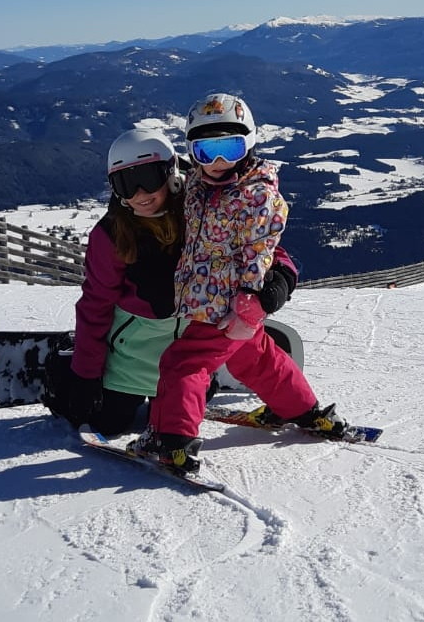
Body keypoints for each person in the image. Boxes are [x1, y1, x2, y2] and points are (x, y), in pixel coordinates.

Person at [129, 92, 349, 473]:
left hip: (226, 305)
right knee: (258, 360)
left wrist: (251, 298)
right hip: (206, 299)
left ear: (248, 144)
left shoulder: (257, 196)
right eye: (205, 151)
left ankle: (172, 440)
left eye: (228, 148)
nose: (216, 162)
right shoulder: (201, 183)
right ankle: (304, 410)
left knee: (182, 364)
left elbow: (259, 251)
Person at [45, 128, 298, 435]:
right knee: (108, 422)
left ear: (171, 170)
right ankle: (62, 367)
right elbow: (95, 304)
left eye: (149, 178)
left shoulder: (202, 206)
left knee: (185, 404)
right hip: (132, 351)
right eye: (125, 184)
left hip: (188, 345)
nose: (140, 193)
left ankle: (204, 382)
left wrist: (281, 276)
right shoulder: (112, 235)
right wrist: (85, 375)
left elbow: (262, 244)